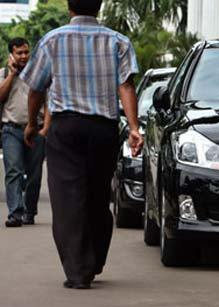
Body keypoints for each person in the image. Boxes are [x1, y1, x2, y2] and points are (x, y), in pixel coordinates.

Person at [21, 0, 143, 289]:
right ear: (98, 7)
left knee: (67, 200)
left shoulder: (53, 40)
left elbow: (36, 88)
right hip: (103, 128)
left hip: (66, 127)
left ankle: (79, 271)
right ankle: (95, 259)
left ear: (69, 7)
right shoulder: (118, 41)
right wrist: (134, 127)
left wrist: (31, 123)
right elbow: (126, 86)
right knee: (98, 195)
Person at [0, 38, 48, 227]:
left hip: (36, 130)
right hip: (11, 129)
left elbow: (48, 104)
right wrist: (11, 75)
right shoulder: (4, 73)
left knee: (34, 175)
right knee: (13, 171)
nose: (23, 56)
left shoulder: (38, 74)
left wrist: (45, 129)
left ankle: (29, 211)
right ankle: (15, 213)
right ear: (11, 54)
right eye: (19, 53)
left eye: (26, 52)